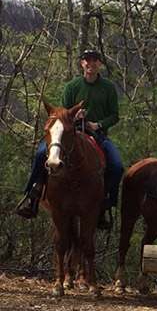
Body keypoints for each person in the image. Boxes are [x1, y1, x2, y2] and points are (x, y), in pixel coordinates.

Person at [16, 49, 124, 229]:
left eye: (94, 61)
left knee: (117, 165)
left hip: (97, 134)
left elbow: (114, 115)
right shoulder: (72, 86)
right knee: (42, 153)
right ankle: (32, 195)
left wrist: (98, 124)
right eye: (87, 61)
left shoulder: (108, 88)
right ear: (82, 63)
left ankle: (106, 203)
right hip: (69, 133)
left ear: (99, 64)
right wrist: (73, 116)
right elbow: (61, 114)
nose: (91, 64)